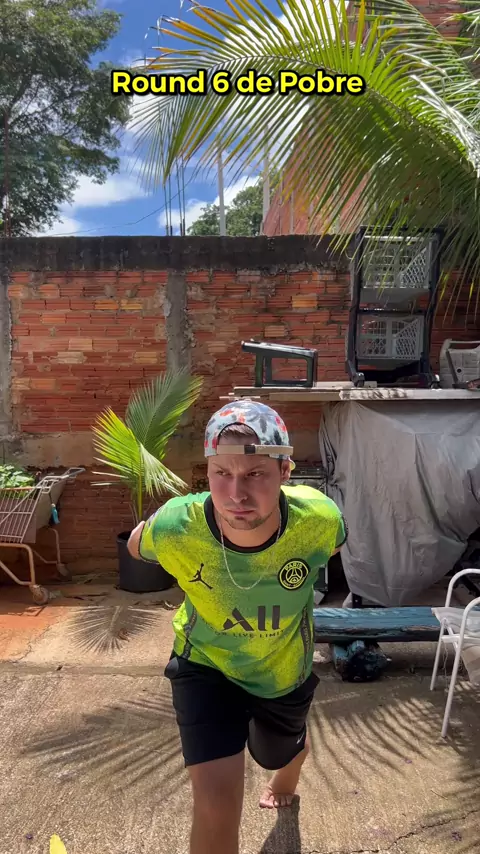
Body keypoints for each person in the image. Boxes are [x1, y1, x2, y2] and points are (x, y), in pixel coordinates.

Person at [127, 399, 347, 854]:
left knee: (280, 752)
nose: (236, 494)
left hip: (283, 668)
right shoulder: (177, 526)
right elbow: (136, 545)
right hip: (204, 664)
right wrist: (152, 531)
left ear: (285, 471)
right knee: (215, 803)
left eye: (255, 474)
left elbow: (334, 543)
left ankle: (288, 771)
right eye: (221, 474)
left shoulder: (318, 520)